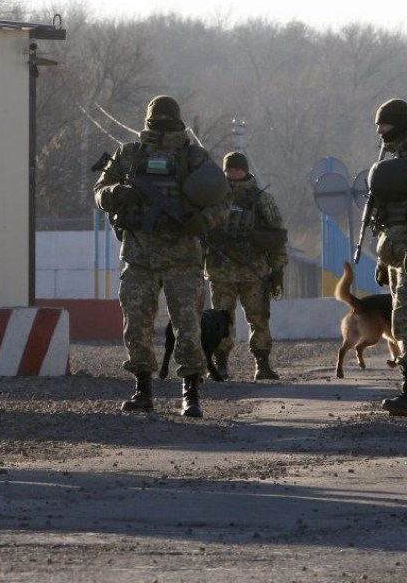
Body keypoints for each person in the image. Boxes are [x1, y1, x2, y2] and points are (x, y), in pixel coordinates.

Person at [94, 95, 229, 417]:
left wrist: (201, 220)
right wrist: (116, 193)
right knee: (137, 325)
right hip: (140, 255)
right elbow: (99, 193)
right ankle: (144, 388)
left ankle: (190, 390)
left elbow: (221, 204)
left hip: (181, 257)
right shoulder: (129, 154)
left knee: (187, 326)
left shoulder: (194, 157)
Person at [204, 151, 287, 381]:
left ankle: (262, 364)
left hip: (254, 271)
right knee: (221, 319)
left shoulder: (262, 199)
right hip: (221, 271)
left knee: (259, 317)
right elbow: (201, 231)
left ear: (245, 169)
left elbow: (278, 237)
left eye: (236, 169)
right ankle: (221, 364)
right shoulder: (214, 197)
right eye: (229, 170)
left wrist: (277, 269)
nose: (233, 174)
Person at [367, 99, 407, 415]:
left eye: (386, 125)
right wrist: (383, 261)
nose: (380, 131)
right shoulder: (394, 163)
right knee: (400, 314)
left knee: (404, 318)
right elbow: (384, 219)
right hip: (396, 254)